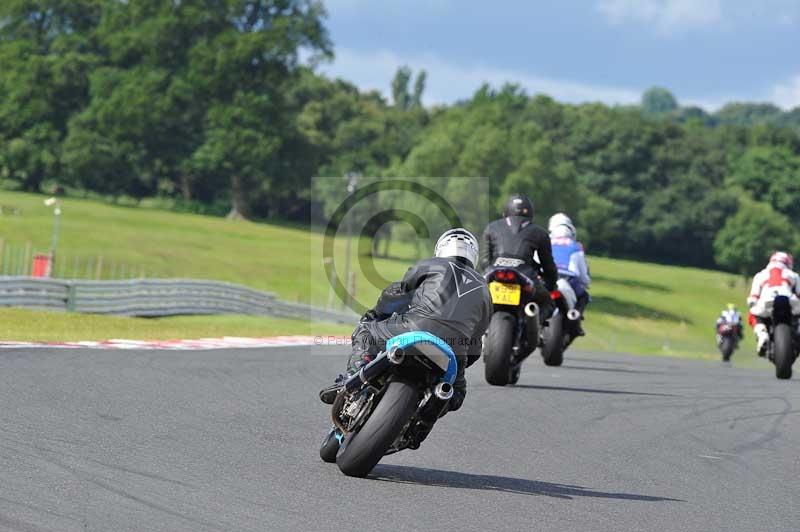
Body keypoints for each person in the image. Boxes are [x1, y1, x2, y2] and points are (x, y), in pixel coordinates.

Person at [319, 228, 493, 417]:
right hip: (455, 350)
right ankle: (423, 418)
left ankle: (352, 379)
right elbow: (477, 342)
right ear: (473, 254)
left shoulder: (431, 264)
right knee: (456, 395)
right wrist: (460, 361)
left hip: (413, 328)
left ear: (442, 248)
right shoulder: (485, 289)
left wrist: (378, 313)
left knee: (366, 332)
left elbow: (397, 293)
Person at [480, 194, 558, 325]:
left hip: (493, 273)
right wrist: (550, 284)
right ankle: (533, 324)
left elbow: (483, 260)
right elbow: (548, 265)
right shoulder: (540, 232)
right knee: (548, 303)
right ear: (530, 212)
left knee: (471, 301)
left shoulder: (491, 227)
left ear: (505, 211)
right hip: (525, 274)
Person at [747, 251, 800, 356]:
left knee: (752, 314)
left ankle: (762, 334)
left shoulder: (760, 275)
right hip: (789, 300)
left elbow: (753, 297)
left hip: (766, 302)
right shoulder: (793, 275)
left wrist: (753, 304)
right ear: (788, 263)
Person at [548, 213, 591, 336]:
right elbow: (583, 275)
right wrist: (586, 282)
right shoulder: (576, 247)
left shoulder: (545, 242)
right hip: (569, 280)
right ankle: (576, 318)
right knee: (584, 296)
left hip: (547, 279)